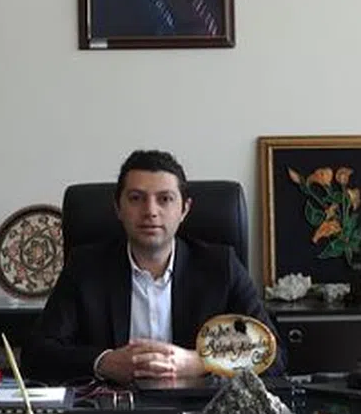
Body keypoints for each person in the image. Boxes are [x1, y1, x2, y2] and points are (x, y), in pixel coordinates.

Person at [27, 150, 284, 384]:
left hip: (198, 412)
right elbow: (36, 355)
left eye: (165, 199)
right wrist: (104, 362)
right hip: (112, 409)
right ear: (118, 208)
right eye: (136, 198)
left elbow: (275, 356)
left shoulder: (220, 266)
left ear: (184, 209)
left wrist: (199, 363)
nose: (150, 211)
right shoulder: (86, 267)